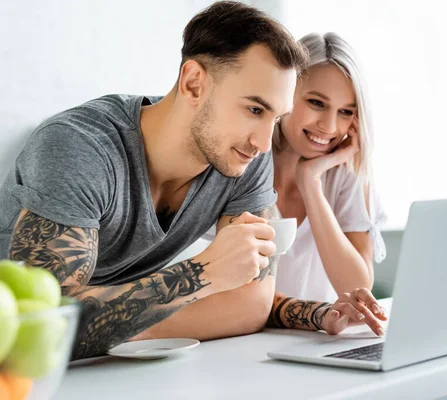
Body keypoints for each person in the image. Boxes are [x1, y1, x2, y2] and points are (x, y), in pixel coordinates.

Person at [0, 1, 384, 360]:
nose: (264, 142)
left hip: (126, 366)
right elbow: (43, 331)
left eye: (275, 117)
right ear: (194, 83)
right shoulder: (79, 149)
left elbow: (250, 306)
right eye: (254, 109)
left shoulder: (244, 159)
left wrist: (311, 313)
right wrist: (202, 274)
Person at [272, 32, 388, 304]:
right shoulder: (245, 163)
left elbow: (357, 288)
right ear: (285, 92)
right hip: (241, 338)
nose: (329, 126)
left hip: (320, 340)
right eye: (316, 103)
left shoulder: (347, 176)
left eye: (346, 112)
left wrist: (310, 181)